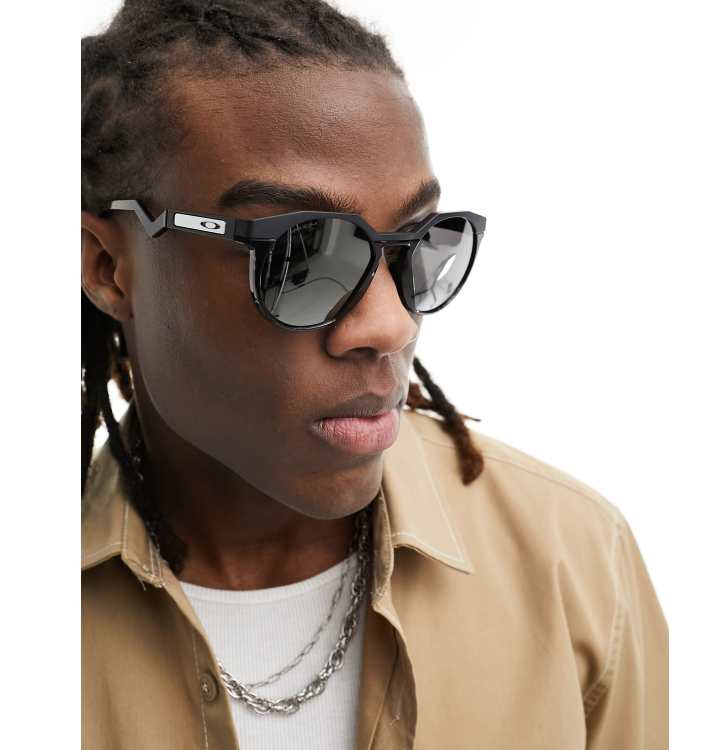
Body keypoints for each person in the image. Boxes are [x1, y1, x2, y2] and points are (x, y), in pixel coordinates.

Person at [81, 2, 668, 748]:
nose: (392, 325)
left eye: (416, 243)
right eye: (302, 253)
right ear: (109, 266)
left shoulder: (576, 565)